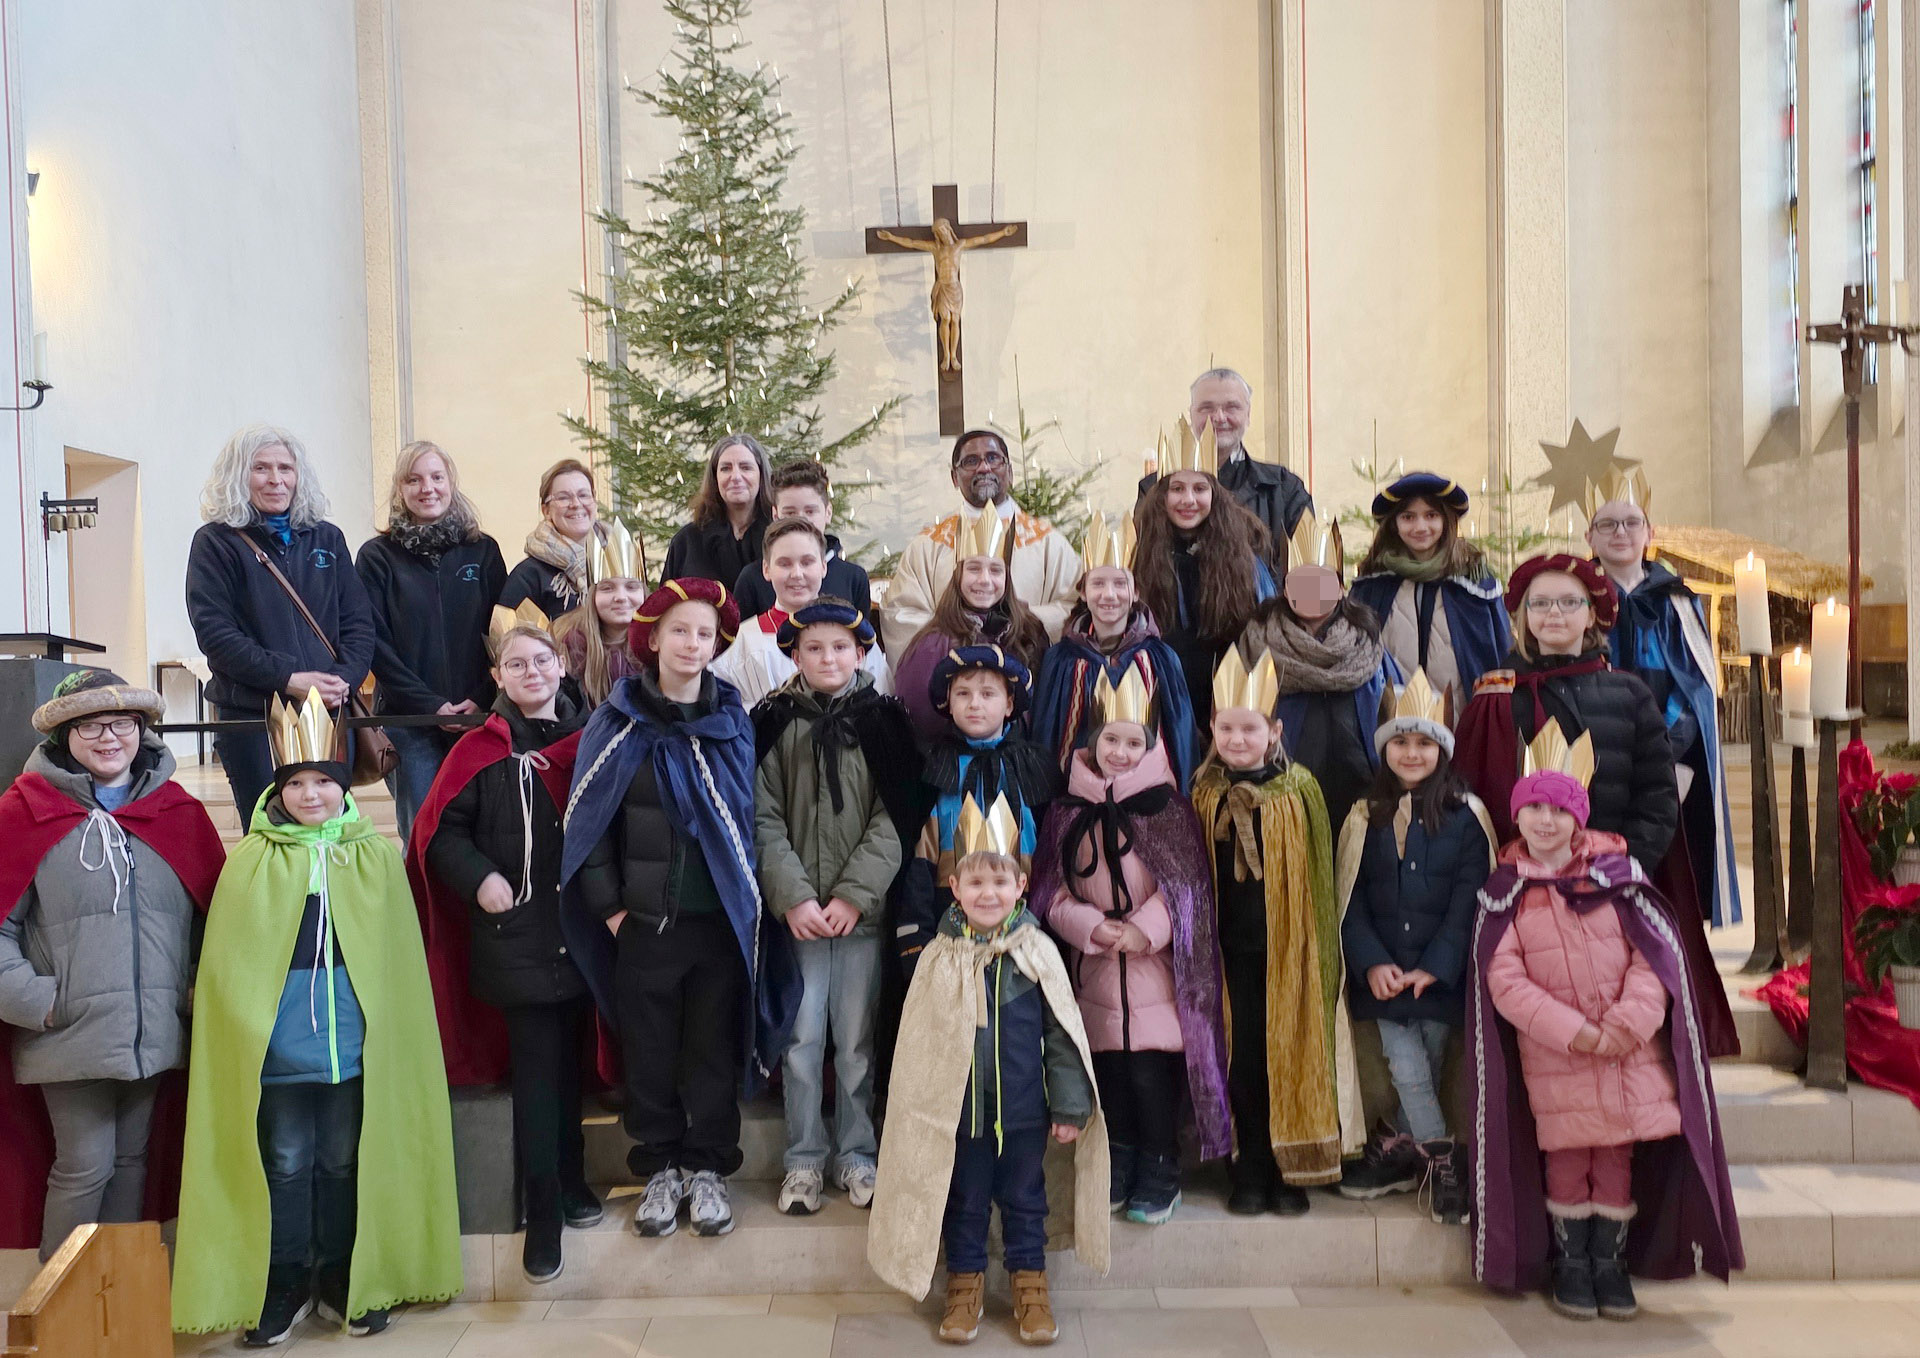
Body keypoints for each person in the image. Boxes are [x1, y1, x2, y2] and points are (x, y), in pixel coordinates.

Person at [171, 691, 461, 1344]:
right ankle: (284, 1280)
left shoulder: (373, 856)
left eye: (323, 782)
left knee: (342, 1159)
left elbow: (394, 967)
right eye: (297, 783)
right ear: (279, 789)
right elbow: (231, 968)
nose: (310, 795)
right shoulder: (251, 860)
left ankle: (340, 1276)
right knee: (282, 1160)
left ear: (343, 786)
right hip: (276, 1049)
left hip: (352, 1045)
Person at [1471, 721, 1741, 1319]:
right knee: (1568, 1160)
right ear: (1517, 816)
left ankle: (1608, 1263)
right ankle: (1572, 1264)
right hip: (1558, 1058)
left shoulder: (1618, 879)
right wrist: (1575, 1032)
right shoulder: (1507, 892)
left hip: (1627, 1054)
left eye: (1558, 810)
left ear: (1579, 817)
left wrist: (1624, 1025)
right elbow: (1505, 981)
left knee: (1617, 1159)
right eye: (1534, 808)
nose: (1546, 821)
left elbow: (1655, 959)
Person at [560, 579, 799, 1240]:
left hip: (718, 924)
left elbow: (748, 820)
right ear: (653, 638)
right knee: (651, 1053)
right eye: (680, 631)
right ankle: (659, 1168)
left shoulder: (733, 722)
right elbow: (590, 823)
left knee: (711, 1052)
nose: (693, 644)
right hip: (644, 926)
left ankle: (708, 1168)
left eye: (704, 633)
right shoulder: (616, 721)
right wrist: (612, 910)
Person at [1451, 554, 1739, 1059]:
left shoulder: (1630, 695)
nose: (1554, 614)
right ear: (1522, 617)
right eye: (1540, 603)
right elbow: (1475, 804)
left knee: (1616, 1023)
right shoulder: (1494, 698)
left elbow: (1656, 798)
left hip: (1611, 892)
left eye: (1569, 602)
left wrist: (1617, 871)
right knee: (1539, 1036)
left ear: (1592, 615)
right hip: (1526, 898)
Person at [866, 794, 1107, 1347]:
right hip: (961, 1116)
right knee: (965, 1200)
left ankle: (1030, 1287)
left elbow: (1061, 1036)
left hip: (1025, 1113)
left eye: (1000, 882)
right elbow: (922, 1044)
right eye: (975, 883)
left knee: (1026, 1200)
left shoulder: (1036, 952)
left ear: (1021, 885)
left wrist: (1069, 1105)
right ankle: (964, 1288)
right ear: (954, 887)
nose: (988, 894)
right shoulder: (938, 956)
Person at [0, 671, 223, 1259]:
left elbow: (212, 920)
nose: (109, 738)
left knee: (131, 1162)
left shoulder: (177, 812)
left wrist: (189, 992)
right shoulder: (24, 813)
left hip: (154, 1028)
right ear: (64, 736)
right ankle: (63, 1303)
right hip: (68, 1030)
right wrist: (41, 1002)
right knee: (84, 1166)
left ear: (141, 730)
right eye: (91, 726)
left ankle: (119, 1297)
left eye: (122, 724)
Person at [406, 605, 597, 1285]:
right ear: (497, 676)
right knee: (538, 1076)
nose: (531, 672)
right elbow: (440, 833)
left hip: (582, 933)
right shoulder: (478, 751)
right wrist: (480, 877)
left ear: (563, 666)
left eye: (542, 660)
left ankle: (573, 1181)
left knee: (573, 1069)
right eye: (516, 664)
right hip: (515, 934)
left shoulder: (590, 739)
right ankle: (542, 1214)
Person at [1027, 671, 1230, 1225]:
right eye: (1110, 739)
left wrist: (1144, 929)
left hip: (1152, 968)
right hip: (1094, 965)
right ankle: (1119, 1158)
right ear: (1092, 743)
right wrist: (1088, 925)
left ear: (1150, 746)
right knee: (1109, 1071)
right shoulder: (1068, 810)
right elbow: (1048, 889)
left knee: (1148, 1072)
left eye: (1133, 742)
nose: (1120, 751)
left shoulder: (1166, 808)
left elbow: (1186, 886)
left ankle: (1160, 1163)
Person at [750, 599, 922, 1217]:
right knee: (801, 1042)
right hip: (797, 918)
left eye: (841, 647)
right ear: (794, 655)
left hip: (860, 918)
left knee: (854, 1043)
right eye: (814, 648)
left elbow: (896, 817)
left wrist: (853, 894)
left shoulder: (885, 722)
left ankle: (856, 1153)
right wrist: (794, 897)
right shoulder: (772, 720)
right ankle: (802, 1160)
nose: (828, 658)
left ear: (862, 653)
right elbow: (762, 816)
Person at [1190, 648, 1362, 1215]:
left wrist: (1316, 952)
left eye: (1250, 729)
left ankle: (1291, 1171)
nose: (1238, 739)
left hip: (1289, 950)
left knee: (1285, 1052)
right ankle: (1250, 1167)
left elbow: (1319, 877)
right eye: (1227, 728)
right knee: (1240, 1059)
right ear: (1211, 730)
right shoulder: (1204, 792)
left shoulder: (1299, 790)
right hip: (1228, 954)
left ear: (1275, 731)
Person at [1332, 671, 1494, 1223]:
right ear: (1384, 748)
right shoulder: (1364, 815)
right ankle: (1445, 1163)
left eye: (1425, 742)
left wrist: (1435, 967)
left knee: (1426, 1065)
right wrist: (1372, 961)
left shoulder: (1466, 817)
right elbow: (1349, 896)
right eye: (1400, 741)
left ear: (1442, 749)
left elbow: (1468, 898)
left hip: (1439, 976)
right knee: (1405, 1065)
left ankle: (1400, 1146)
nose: (1411, 752)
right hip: (1383, 978)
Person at [186, 424, 376, 822]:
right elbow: (216, 634)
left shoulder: (327, 538)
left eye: (285, 468)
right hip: (254, 716)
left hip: (328, 709)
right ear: (238, 475)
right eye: (261, 468)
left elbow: (358, 622)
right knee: (270, 833)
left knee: (331, 830)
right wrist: (287, 678)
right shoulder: (216, 542)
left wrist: (342, 680)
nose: (276, 479)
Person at [1584, 468, 1741, 929]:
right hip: (1594, 755)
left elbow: (1695, 687)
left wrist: (1667, 752)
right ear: (1589, 537)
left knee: (1666, 864)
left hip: (1669, 758)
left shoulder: (1677, 601)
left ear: (1650, 533)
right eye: (1607, 524)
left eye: (1631, 522)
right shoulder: (1575, 599)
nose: (1620, 532)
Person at [355, 439, 508, 841]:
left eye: (437, 477)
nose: (428, 488)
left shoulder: (483, 551)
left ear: (451, 483)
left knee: (483, 834)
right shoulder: (377, 556)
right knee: (424, 836)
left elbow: (502, 634)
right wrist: (430, 705)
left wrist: (481, 694)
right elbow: (374, 643)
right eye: (414, 479)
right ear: (400, 489)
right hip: (409, 721)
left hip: (477, 715)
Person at [896, 645, 1058, 977]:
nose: (974, 703)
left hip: (1023, 927)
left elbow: (1051, 854)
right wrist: (916, 937)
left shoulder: (1034, 766)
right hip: (947, 926)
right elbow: (919, 861)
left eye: (988, 694)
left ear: (1009, 703)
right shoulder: (931, 768)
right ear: (948, 702)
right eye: (963, 693)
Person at [1242, 509, 1399, 832]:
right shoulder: (1258, 642)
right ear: (1285, 589)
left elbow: (1393, 712)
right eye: (1301, 583)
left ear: (1340, 588)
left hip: (1361, 791)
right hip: (1282, 792)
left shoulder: (1366, 642)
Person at [878, 428, 1083, 657]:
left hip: (1028, 667)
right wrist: (956, 636)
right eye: (971, 461)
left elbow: (1074, 608)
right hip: (951, 674)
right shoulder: (927, 546)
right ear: (954, 477)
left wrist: (1019, 623)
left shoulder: (1048, 543)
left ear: (1010, 472)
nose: (984, 467)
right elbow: (900, 614)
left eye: (993, 458)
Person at [1132, 423, 1278, 738]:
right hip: (1161, 703)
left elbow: (1263, 634)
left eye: (1199, 489)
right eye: (1177, 489)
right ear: (1161, 496)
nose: (1188, 499)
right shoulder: (1139, 558)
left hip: (1228, 706)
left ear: (1214, 495)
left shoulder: (1244, 562)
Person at [1032, 510, 1196, 786]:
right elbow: (1046, 740)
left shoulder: (1160, 658)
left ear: (1136, 592)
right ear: (1083, 592)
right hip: (1076, 799)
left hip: (1146, 797)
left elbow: (1180, 741)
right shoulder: (1060, 659)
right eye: (1098, 583)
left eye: (1120, 583)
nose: (1109, 595)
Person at [1348, 472, 1508, 717]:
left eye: (1431, 515)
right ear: (1394, 523)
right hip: (1388, 724)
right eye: (1408, 517)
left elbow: (1498, 658)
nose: (1420, 527)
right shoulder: (1371, 587)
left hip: (1462, 721)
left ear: (1446, 520)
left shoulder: (1475, 587)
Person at [894, 510, 1051, 743]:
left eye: (995, 570)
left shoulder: (1030, 631)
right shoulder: (931, 646)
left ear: (1007, 577)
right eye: (974, 568)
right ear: (958, 575)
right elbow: (919, 723)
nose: (984, 580)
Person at [1134, 369, 1314, 559]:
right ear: (1191, 415)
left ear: (1248, 414)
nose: (1219, 417)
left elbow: (1307, 566)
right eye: (1206, 408)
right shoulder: (1154, 487)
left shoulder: (1283, 487)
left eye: (1232, 407)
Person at [712, 519, 891, 708]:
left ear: (823, 567)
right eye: (784, 564)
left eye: (807, 562)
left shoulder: (854, 635)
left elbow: (881, 700)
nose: (797, 574)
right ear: (766, 569)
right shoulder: (743, 643)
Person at [732, 459, 873, 620]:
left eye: (810, 511)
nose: (801, 519)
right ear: (775, 515)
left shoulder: (854, 578)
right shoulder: (751, 578)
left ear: (828, 512)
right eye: (790, 513)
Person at [551, 519, 648, 708]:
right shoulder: (568, 645)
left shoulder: (658, 644)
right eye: (607, 588)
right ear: (592, 595)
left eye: (631, 587)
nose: (621, 597)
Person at [502, 458, 611, 621]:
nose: (576, 504)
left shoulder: (616, 561)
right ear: (546, 511)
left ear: (594, 502)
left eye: (583, 495)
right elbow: (508, 633)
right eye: (563, 498)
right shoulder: (528, 576)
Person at [662, 434, 774, 587]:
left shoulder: (779, 538)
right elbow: (666, 598)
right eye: (725, 468)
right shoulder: (687, 541)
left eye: (746, 467)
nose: (736, 477)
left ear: (761, 475)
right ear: (715, 478)